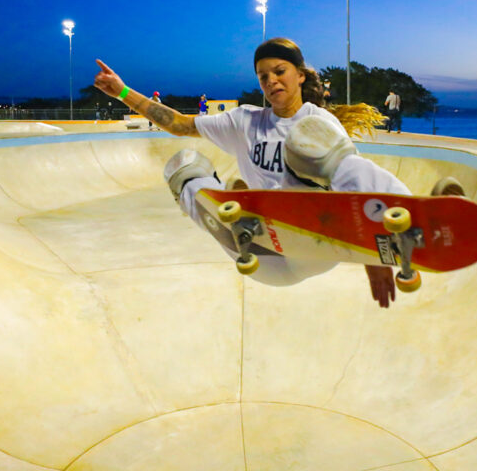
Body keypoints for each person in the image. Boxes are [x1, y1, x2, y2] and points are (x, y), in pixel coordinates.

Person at [94, 37, 422, 308]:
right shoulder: (245, 120)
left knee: (305, 140)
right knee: (183, 165)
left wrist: (374, 258)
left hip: (314, 243)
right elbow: (179, 124)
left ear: (301, 75)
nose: (271, 81)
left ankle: (407, 215)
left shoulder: (319, 122)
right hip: (262, 255)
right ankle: (232, 211)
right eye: (263, 77)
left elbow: (354, 188)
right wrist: (123, 92)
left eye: (279, 71)